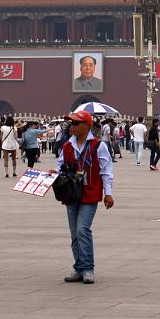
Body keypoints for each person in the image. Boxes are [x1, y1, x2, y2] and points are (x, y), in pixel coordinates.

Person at [54, 110, 114, 284]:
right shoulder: (67, 146)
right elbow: (60, 166)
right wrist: (54, 173)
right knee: (74, 233)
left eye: (75, 124)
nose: (72, 127)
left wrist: (108, 193)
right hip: (71, 192)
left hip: (90, 191)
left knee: (82, 230)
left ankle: (88, 268)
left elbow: (106, 171)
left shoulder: (98, 146)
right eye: (71, 124)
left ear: (86, 126)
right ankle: (78, 268)